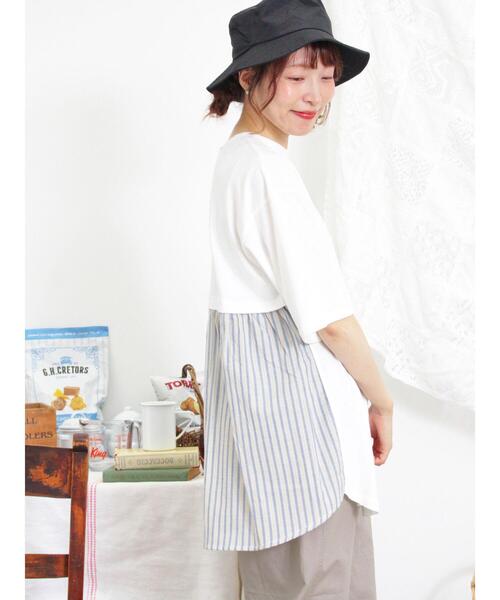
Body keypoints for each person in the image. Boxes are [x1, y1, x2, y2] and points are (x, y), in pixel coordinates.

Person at [202, 1, 393, 598]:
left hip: (268, 441)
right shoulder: (267, 171)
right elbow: (331, 321)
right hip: (308, 442)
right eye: (296, 76)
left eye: (327, 76)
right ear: (249, 77)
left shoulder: (236, 161)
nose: (315, 95)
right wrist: (382, 400)